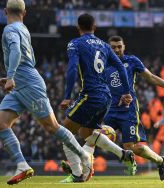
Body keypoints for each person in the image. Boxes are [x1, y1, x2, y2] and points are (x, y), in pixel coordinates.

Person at [61, 35, 164, 181]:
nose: (117, 50)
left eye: (119, 46)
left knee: (132, 147)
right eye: (113, 47)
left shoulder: (131, 61)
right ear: (108, 48)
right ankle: (81, 169)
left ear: (124, 47)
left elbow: (151, 77)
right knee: (91, 138)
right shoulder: (102, 63)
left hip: (128, 111)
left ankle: (160, 161)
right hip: (108, 109)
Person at [0, 0, 90, 185]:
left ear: (5, 11)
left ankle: (84, 155)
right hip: (19, 85)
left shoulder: (10, 30)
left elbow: (15, 50)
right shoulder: (23, 28)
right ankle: (22, 165)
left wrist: (11, 75)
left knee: (52, 127)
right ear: (25, 12)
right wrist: (10, 78)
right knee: (1, 124)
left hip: (28, 83)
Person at [58, 14, 136, 183]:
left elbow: (72, 69)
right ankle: (123, 154)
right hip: (106, 97)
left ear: (78, 28)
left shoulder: (75, 44)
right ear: (95, 27)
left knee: (64, 133)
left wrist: (67, 96)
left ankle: (78, 173)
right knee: (86, 133)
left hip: (90, 95)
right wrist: (126, 91)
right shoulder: (104, 45)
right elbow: (121, 68)